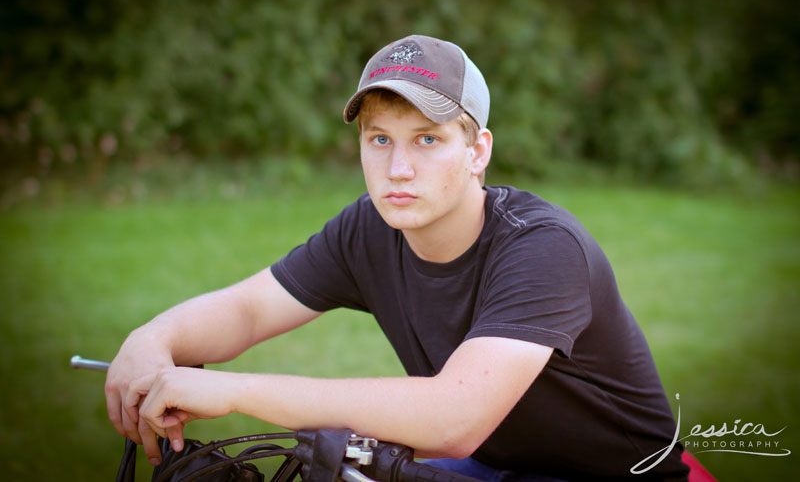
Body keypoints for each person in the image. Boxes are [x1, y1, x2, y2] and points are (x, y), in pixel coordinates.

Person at [105, 35, 690, 480]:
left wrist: (234, 392)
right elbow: (251, 309)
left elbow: (454, 419)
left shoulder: (542, 245)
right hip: (498, 466)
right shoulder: (371, 227)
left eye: (427, 140)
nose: (398, 168)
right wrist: (153, 339)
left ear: (477, 151)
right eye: (379, 139)